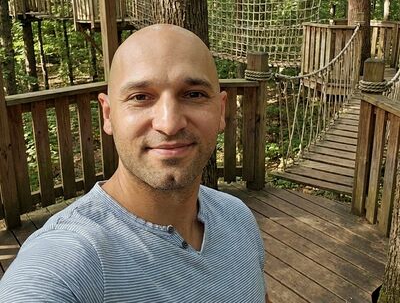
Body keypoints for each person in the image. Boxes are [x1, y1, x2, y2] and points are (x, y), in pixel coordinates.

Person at [0, 24, 270, 302]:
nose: (169, 123)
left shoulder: (237, 217)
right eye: (140, 97)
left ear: (221, 110)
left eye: (194, 94)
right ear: (108, 115)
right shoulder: (72, 258)